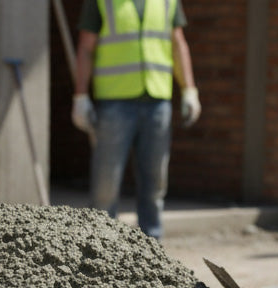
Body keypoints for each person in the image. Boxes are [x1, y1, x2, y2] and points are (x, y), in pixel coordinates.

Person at [71, 0, 200, 239]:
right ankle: (101, 247)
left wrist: (189, 89)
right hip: (114, 101)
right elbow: (87, 47)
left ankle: (152, 247)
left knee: (155, 183)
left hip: (157, 101)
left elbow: (177, 43)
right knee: (106, 187)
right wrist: (81, 95)